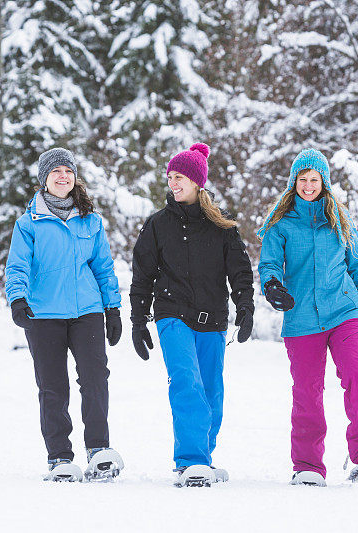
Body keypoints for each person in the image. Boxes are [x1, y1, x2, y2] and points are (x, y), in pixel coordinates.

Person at [257, 148, 358, 487]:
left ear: (324, 182)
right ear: (293, 183)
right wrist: (273, 286)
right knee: (307, 390)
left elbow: (357, 266)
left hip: (344, 310)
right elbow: (269, 263)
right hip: (301, 318)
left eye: (314, 179)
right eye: (302, 179)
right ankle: (308, 466)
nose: (308, 185)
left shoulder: (340, 219)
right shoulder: (281, 225)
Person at [130, 143, 255, 487]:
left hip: (212, 320)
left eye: (179, 176)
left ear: (198, 181)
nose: (173, 183)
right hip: (171, 315)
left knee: (212, 391)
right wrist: (138, 321)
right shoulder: (156, 225)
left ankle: (202, 455)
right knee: (186, 382)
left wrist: (245, 307)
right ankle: (191, 460)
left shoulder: (222, 226)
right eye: (170, 177)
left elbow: (240, 272)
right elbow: (142, 275)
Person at [5, 147, 124, 482]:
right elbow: (17, 266)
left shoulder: (91, 220)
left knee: (96, 379)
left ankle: (99, 450)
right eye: (56, 171)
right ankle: (59, 458)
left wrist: (112, 308)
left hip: (86, 312)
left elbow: (103, 267)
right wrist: (18, 299)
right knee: (53, 387)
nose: (63, 177)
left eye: (68, 171)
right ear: (44, 179)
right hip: (43, 316)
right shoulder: (28, 224)